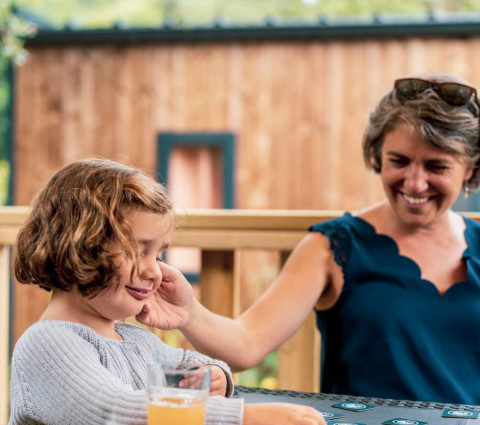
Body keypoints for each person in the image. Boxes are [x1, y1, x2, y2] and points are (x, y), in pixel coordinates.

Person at [138, 74, 480, 405]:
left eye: (437, 166)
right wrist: (190, 312)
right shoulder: (334, 247)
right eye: (399, 161)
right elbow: (246, 342)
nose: (415, 182)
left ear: (470, 167)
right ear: (378, 155)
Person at [7, 159, 327, 425]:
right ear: (78, 247)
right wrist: (244, 419)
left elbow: (187, 364)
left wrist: (214, 374)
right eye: (137, 251)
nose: (154, 271)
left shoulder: (135, 339)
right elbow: (115, 412)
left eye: (158, 255)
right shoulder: (46, 345)